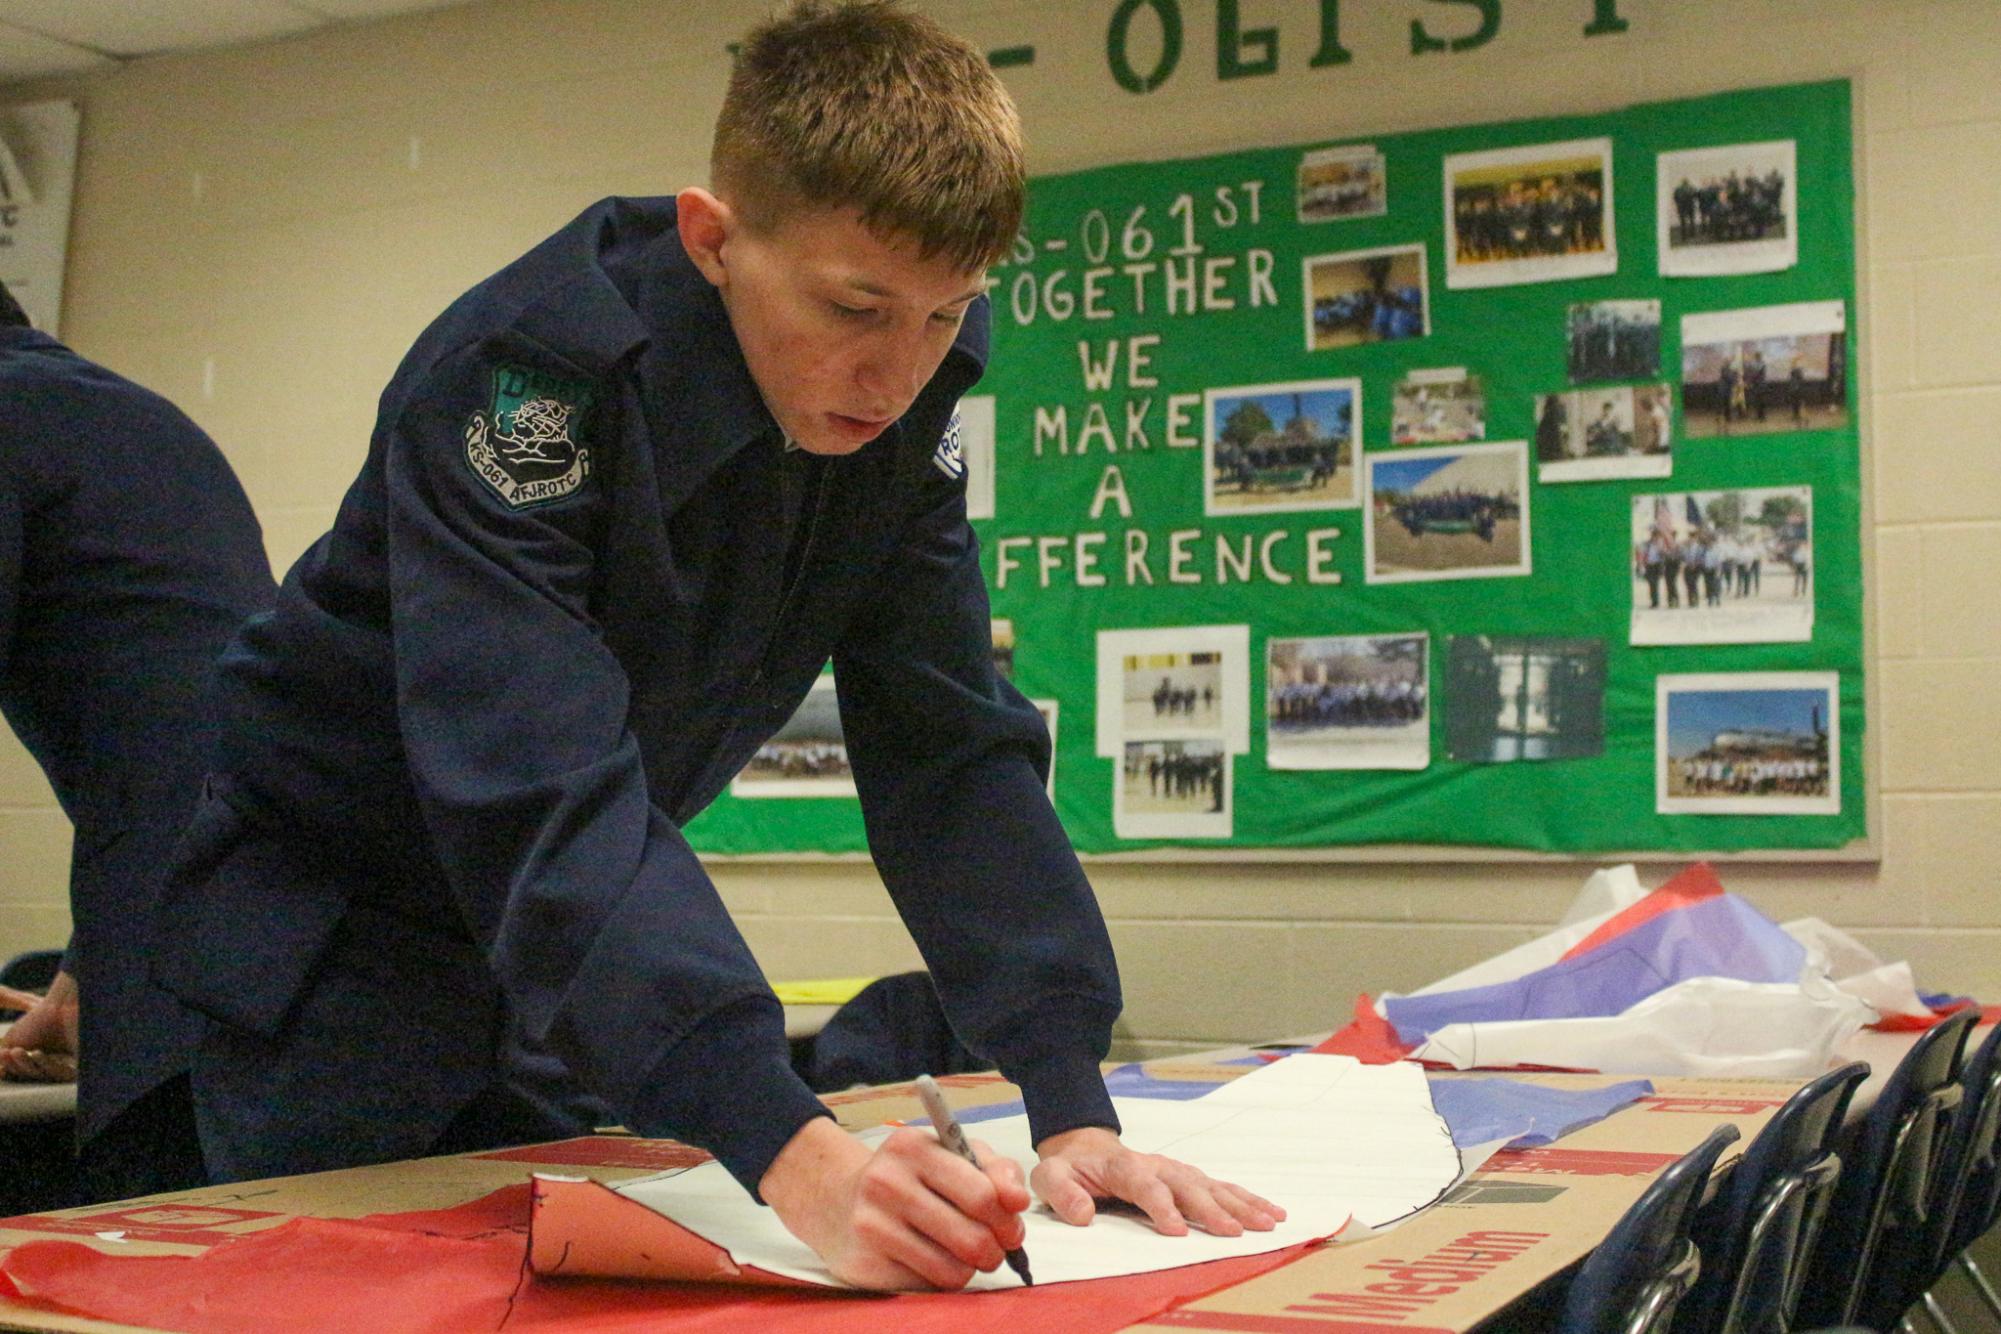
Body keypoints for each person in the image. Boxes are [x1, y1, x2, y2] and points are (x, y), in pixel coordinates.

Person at [153, 0, 1279, 1293]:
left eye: (941, 314)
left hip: (548, 961)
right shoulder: (527, 380)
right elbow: (541, 784)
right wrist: (792, 1146)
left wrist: (1070, 1095)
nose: (898, 370)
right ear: (713, 238)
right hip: (332, 945)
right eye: (856, 306)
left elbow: (949, 748)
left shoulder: (903, 391)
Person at [0, 280, 275, 1202]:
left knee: (147, 1235)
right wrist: (87, 968)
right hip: (261, 892)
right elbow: (174, 697)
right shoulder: (123, 413)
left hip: (182, 906)